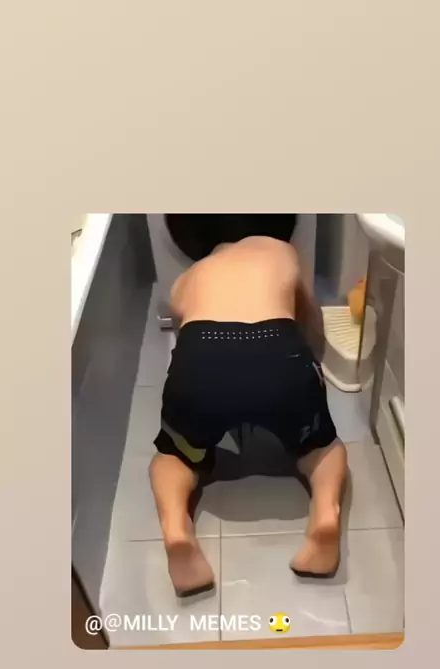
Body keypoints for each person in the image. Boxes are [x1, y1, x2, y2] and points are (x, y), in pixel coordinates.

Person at [148, 236, 348, 597]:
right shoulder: (280, 251)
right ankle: (325, 514)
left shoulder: (187, 279)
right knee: (322, 449)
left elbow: (185, 340)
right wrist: (311, 368)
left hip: (202, 360)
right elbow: (309, 318)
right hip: (280, 352)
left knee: (174, 456)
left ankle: (176, 528)